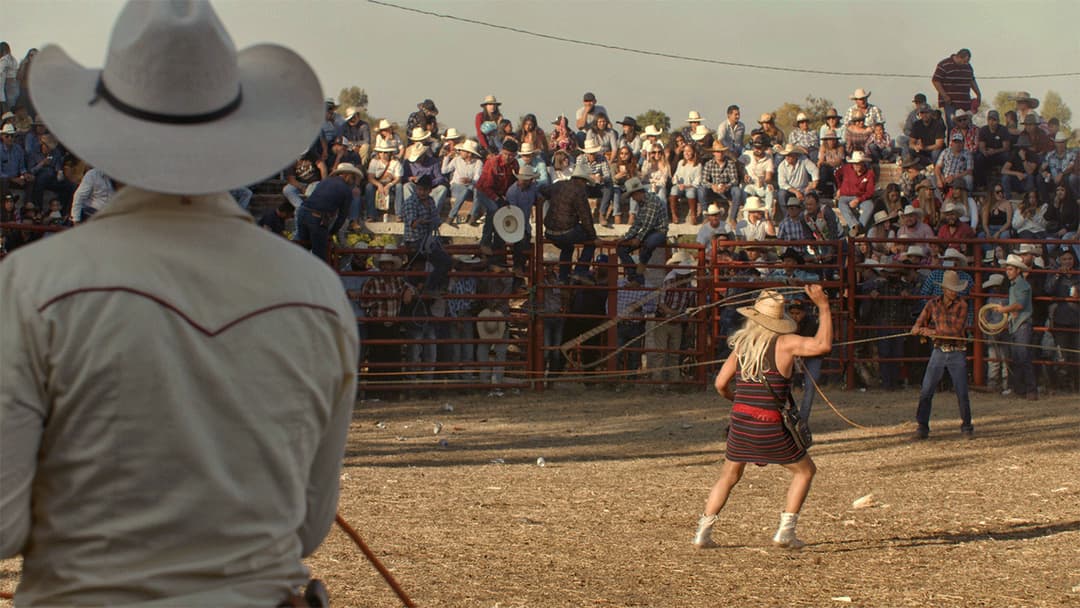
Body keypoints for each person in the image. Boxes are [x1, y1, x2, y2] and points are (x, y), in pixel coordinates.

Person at [0, 2, 358, 606]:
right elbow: (308, 524)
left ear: (107, 125)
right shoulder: (315, 293)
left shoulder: (35, 283)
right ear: (235, 126)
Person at [694, 286, 831, 550]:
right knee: (805, 471)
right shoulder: (787, 343)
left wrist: (739, 401)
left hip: (741, 422)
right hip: (770, 423)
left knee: (729, 475)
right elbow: (823, 345)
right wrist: (824, 306)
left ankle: (703, 532)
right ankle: (785, 532)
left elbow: (721, 384)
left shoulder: (743, 345)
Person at [910, 270, 974, 439]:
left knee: (962, 392)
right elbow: (920, 321)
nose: (954, 292)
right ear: (944, 289)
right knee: (926, 391)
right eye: (951, 288)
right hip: (939, 351)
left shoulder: (962, 305)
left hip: (956, 351)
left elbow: (955, 331)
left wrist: (930, 331)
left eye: (956, 289)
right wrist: (917, 328)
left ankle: (967, 426)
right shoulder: (932, 304)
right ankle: (922, 426)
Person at [992, 254, 1038, 400]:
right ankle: (1022, 389)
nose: (1008, 271)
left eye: (1011, 269)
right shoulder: (1017, 285)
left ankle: (1030, 389)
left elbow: (1019, 305)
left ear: (1018, 270)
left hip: (1022, 324)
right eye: (1007, 269)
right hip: (1018, 324)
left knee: (1022, 358)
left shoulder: (1021, 285)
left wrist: (1004, 310)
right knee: (1019, 358)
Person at [297, 163, 364, 262]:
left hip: (303, 212)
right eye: (353, 178)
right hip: (317, 218)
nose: (353, 181)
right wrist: (331, 232)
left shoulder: (326, 181)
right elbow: (342, 217)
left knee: (303, 248)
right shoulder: (346, 190)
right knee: (319, 255)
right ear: (348, 175)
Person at [543, 163, 597, 283]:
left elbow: (542, 191)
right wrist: (594, 237)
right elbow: (586, 217)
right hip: (567, 232)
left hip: (549, 232)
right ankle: (580, 271)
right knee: (591, 242)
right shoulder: (579, 191)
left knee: (567, 248)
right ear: (582, 181)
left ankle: (563, 278)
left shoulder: (558, 185)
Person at [616, 177, 667, 284]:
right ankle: (635, 276)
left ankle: (637, 277)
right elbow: (637, 224)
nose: (633, 198)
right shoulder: (642, 203)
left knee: (648, 244)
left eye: (633, 195)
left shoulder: (652, 201)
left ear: (638, 192)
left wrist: (638, 238)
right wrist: (625, 237)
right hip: (649, 232)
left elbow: (649, 223)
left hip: (659, 231)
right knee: (621, 249)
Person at [932, 48, 981, 130]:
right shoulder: (944, 64)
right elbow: (936, 80)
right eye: (964, 61)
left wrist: (978, 93)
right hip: (951, 103)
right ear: (959, 57)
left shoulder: (968, 67)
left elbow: (971, 80)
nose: (965, 63)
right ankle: (952, 142)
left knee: (967, 126)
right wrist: (945, 96)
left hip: (965, 102)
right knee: (953, 125)